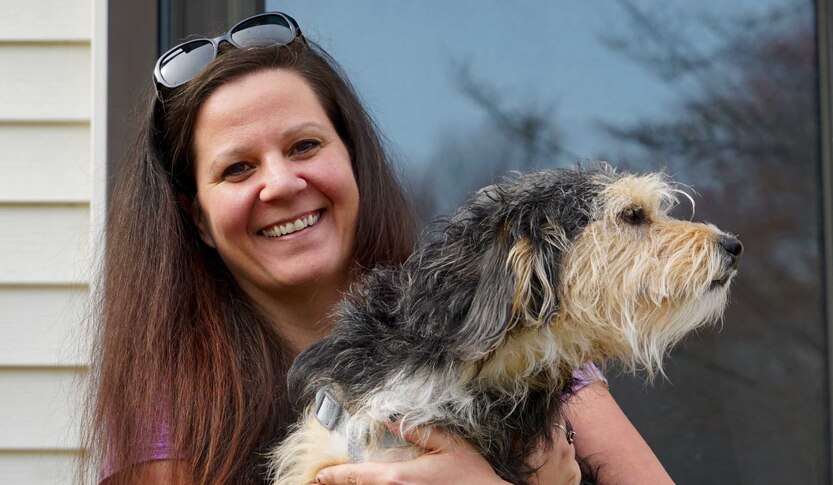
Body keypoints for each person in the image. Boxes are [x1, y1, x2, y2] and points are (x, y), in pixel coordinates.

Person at [83, 12, 673, 485]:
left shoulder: (511, 326)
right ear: (200, 219)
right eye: (237, 168)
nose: (282, 183)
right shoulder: (174, 419)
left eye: (304, 145)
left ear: (351, 158)